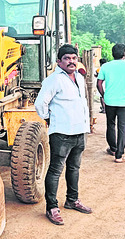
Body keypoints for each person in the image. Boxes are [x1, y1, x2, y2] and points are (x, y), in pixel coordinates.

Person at [35, 44, 92, 225]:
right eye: (67, 58)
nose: (71, 61)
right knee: (56, 170)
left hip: (79, 131)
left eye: (74, 58)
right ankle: (52, 207)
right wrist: (49, 119)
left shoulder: (80, 79)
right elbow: (40, 104)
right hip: (62, 132)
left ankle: (72, 200)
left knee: (74, 168)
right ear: (59, 61)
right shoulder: (54, 80)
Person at [97, 44, 125, 163]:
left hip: (110, 101)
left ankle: (113, 148)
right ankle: (119, 155)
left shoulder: (105, 66)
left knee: (110, 124)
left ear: (113, 54)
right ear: (124, 54)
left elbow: (99, 83)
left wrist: (103, 95)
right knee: (122, 127)